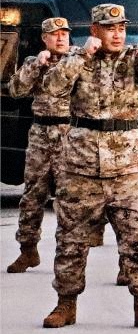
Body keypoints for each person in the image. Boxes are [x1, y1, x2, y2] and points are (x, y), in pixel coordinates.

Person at [40, 3, 138, 329]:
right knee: (71, 239)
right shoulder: (77, 59)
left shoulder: (132, 59)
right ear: (94, 30)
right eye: (109, 28)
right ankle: (66, 303)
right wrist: (80, 57)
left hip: (127, 168)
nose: (117, 33)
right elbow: (53, 87)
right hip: (81, 166)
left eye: (121, 28)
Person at [7, 17, 75, 274]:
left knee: (70, 198)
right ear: (44, 38)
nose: (60, 38)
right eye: (55, 34)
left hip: (70, 133)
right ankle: (27, 249)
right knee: (32, 195)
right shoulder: (33, 62)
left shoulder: (78, 60)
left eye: (64, 34)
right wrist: (36, 65)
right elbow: (15, 90)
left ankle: (68, 254)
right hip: (41, 134)